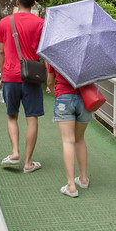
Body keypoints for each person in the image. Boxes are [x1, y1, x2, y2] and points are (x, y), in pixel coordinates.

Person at [0, 0, 45, 173]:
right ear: (33, 3)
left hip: (10, 75)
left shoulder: (5, 22)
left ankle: (14, 152)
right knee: (32, 119)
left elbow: (0, 51)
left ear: (17, 2)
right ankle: (28, 163)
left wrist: (2, 75)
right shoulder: (40, 23)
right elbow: (42, 51)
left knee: (12, 116)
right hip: (31, 76)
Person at [48, 66, 92, 198]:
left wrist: (50, 87)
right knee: (80, 139)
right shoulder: (87, 52)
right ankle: (83, 179)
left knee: (68, 141)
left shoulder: (56, 50)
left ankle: (71, 185)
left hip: (64, 96)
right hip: (85, 98)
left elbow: (50, 80)